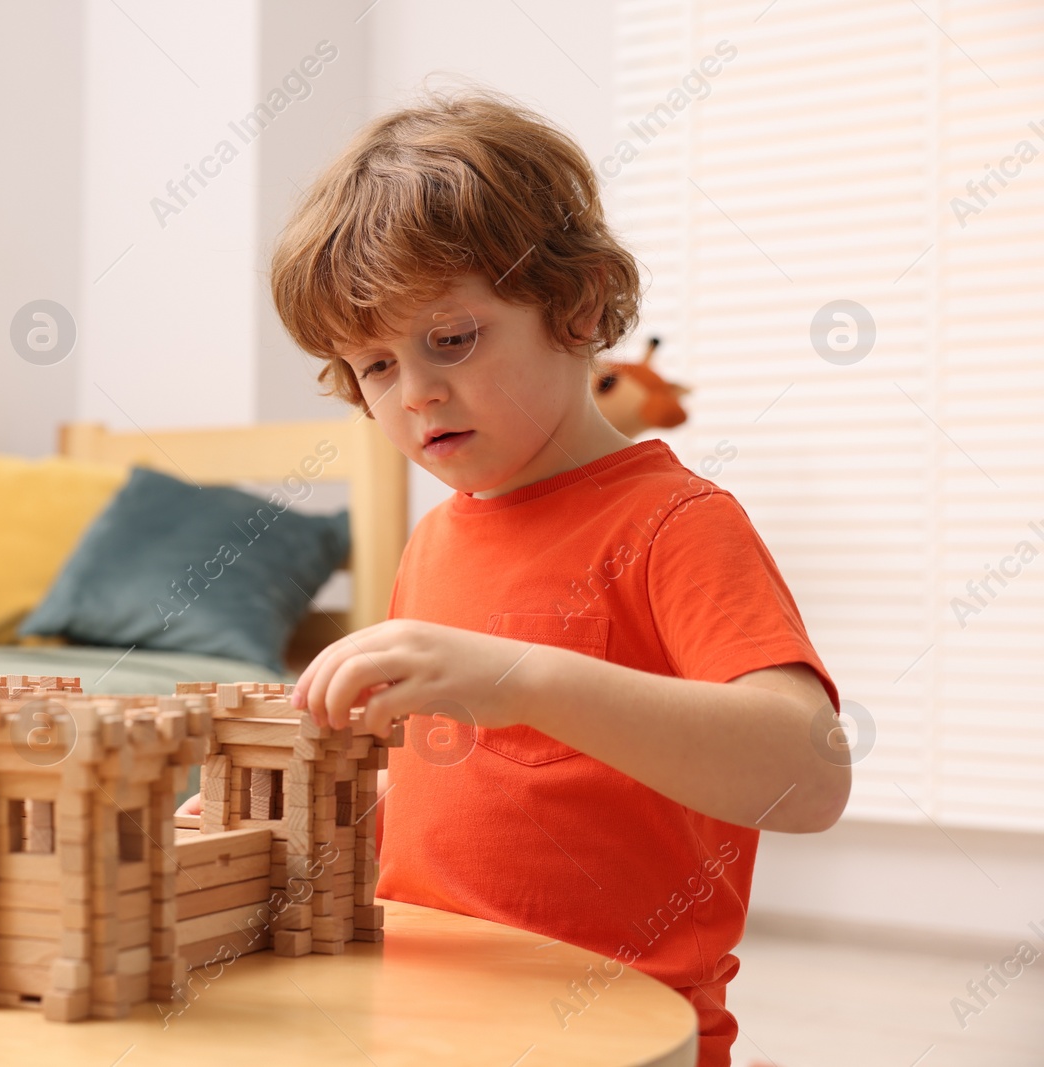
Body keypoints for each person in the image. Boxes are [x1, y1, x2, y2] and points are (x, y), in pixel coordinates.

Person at [198, 86, 847, 1067]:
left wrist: (518, 679)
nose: (415, 391)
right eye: (373, 366)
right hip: (417, 1019)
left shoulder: (675, 524)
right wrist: (281, 822)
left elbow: (807, 777)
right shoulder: (431, 545)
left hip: (612, 1033)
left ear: (577, 306)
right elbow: (437, 806)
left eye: (449, 338)